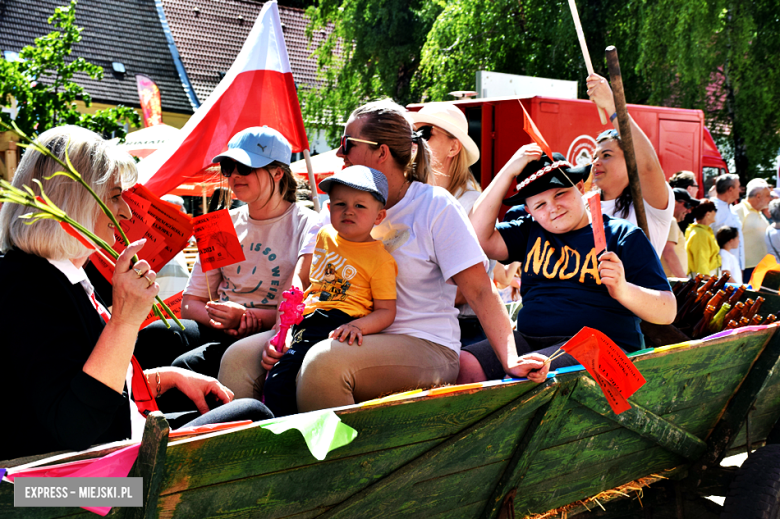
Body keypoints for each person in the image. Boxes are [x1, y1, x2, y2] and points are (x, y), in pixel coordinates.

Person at [260, 99, 551, 412]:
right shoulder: (337, 207)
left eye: (347, 144)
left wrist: (510, 359)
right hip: (337, 331)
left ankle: (339, 462)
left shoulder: (434, 206)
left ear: (381, 152)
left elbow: (480, 290)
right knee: (240, 358)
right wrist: (284, 333)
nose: (340, 153)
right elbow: (302, 283)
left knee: (324, 364)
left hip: (425, 345)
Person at [0, 126, 271, 461]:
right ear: (75, 201)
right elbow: (73, 426)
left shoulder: (53, 276)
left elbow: (69, 378)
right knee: (251, 416)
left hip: (98, 457)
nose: (126, 212)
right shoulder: (26, 287)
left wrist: (164, 378)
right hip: (64, 493)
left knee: (220, 405)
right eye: (115, 196)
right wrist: (125, 320)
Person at [461, 145, 675, 382]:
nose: (553, 208)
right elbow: (477, 236)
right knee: (465, 365)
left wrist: (624, 289)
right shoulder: (529, 230)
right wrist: (509, 169)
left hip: (605, 352)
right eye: (540, 205)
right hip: (530, 340)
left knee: (527, 376)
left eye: (560, 193)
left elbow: (668, 311)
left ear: (580, 188)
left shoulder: (623, 235)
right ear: (528, 210)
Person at [171, 126, 319, 380]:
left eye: (245, 167)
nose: (234, 176)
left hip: (273, 332)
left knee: (186, 365)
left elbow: (304, 307)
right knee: (155, 336)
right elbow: (189, 304)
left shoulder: (309, 225)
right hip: (219, 328)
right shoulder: (219, 225)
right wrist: (225, 319)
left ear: (277, 173)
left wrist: (248, 318)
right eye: (228, 168)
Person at [263, 166, 398, 416]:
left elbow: (387, 311)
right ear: (328, 209)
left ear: (379, 217)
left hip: (339, 321)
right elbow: (307, 282)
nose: (348, 210)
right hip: (308, 317)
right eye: (339, 204)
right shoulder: (324, 235)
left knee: (279, 380)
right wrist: (286, 323)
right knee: (278, 372)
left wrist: (358, 327)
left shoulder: (380, 259)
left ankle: (284, 439)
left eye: (360, 206)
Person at [409, 102, 494, 346]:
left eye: (426, 133)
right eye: (413, 133)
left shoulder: (473, 205)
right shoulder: (412, 197)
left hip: (460, 333)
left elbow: (463, 291)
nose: (415, 141)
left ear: (454, 147)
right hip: (414, 327)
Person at [587, 74, 674, 257]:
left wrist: (612, 105)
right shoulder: (584, 205)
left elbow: (648, 166)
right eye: (594, 156)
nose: (596, 162)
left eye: (607, 155)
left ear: (631, 161)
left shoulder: (650, 205)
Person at [154, 194, 192, 300]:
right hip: (160, 303)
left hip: (177, 302)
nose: (185, 214)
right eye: (181, 210)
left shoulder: (179, 239)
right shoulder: (156, 238)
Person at [733, 178, 771, 281]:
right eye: (768, 196)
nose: (770, 199)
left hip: (761, 267)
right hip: (746, 269)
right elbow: (731, 239)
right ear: (758, 196)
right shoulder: (739, 210)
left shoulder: (759, 213)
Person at [661, 188, 697, 278]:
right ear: (674, 202)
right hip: (671, 281)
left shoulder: (667, 220)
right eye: (687, 205)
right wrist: (684, 280)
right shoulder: (670, 221)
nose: (689, 210)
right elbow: (669, 252)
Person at [710, 174, 744, 271]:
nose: (740, 190)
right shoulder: (711, 209)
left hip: (735, 265)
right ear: (730, 189)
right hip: (721, 268)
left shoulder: (732, 208)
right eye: (738, 187)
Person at [685, 200, 721, 277]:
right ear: (708, 214)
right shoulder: (700, 233)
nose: (716, 213)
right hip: (705, 277)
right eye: (714, 210)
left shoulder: (700, 230)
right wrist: (705, 278)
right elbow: (701, 257)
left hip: (707, 275)